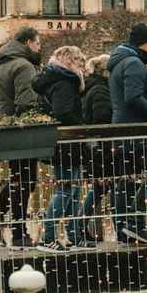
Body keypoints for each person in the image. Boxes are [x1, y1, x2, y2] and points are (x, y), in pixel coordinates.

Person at [0, 26, 43, 248]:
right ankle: (19, 232)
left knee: (17, 179)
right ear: (28, 42)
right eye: (38, 43)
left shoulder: (1, 64)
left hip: (4, 126)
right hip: (22, 130)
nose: (40, 48)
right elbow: (27, 102)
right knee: (24, 181)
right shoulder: (23, 65)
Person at [109, 23, 147, 245]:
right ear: (145, 42)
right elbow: (134, 97)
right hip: (137, 131)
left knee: (126, 183)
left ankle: (124, 229)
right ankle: (135, 223)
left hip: (123, 131)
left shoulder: (118, 62)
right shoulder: (133, 63)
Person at [34, 46, 88, 253]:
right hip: (67, 143)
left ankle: (72, 235)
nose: (82, 66)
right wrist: (82, 125)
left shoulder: (54, 80)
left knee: (71, 190)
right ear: (69, 62)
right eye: (79, 61)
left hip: (63, 144)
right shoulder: (64, 83)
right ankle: (49, 237)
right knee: (66, 190)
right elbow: (63, 111)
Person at [80, 54, 114, 244]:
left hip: (95, 147)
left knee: (101, 187)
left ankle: (83, 225)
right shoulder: (101, 90)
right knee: (103, 187)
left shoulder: (90, 87)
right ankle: (81, 224)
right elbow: (102, 117)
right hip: (102, 148)